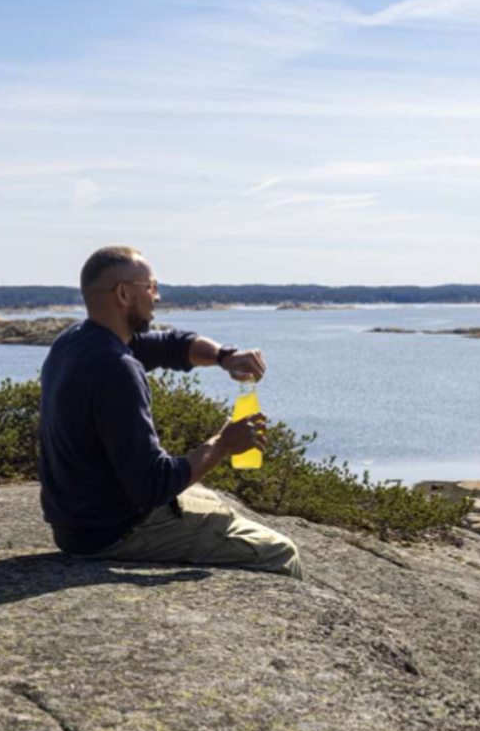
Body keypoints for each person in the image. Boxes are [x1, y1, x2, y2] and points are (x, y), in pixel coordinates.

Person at [36, 245, 303, 579]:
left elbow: (172, 345)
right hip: (113, 532)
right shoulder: (116, 369)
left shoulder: (75, 341)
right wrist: (222, 444)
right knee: (280, 552)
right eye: (151, 287)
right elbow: (153, 485)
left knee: (212, 502)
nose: (157, 296)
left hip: (78, 523)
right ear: (123, 293)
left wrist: (224, 357)